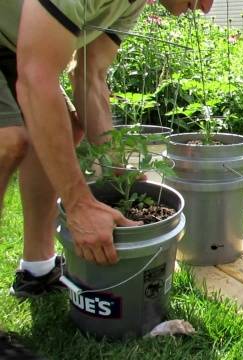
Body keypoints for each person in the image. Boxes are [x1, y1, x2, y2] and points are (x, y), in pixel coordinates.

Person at [0, 0, 213, 298]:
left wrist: (116, 167)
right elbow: (36, 79)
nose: (205, 7)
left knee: (63, 129)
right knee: (7, 142)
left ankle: (37, 270)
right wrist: (79, 204)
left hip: (12, 39)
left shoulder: (131, 3)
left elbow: (89, 74)